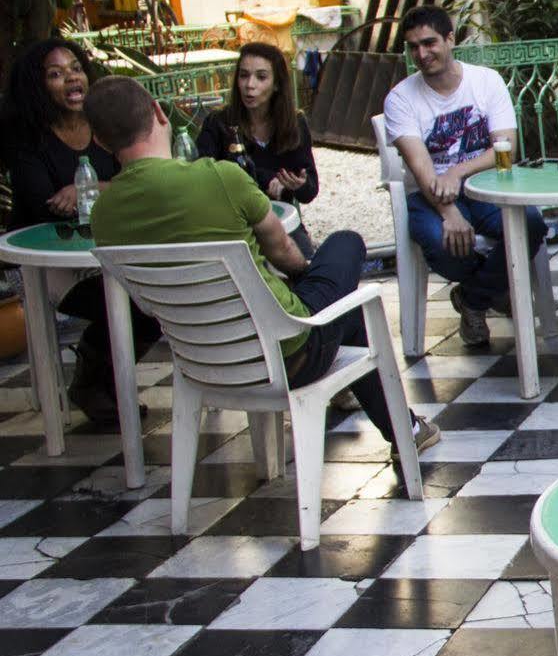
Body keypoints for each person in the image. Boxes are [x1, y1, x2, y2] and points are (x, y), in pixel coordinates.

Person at [84, 78, 439, 455]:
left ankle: (407, 430)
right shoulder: (218, 176)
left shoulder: (103, 216)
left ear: (100, 143)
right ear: (159, 112)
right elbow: (283, 250)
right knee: (346, 248)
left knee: (339, 308)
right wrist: (309, 273)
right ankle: (406, 430)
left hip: (201, 365)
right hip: (288, 354)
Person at [1, 38, 160, 422]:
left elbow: (140, 178)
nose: (71, 78)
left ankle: (93, 373)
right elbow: (44, 202)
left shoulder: (105, 127)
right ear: (38, 88)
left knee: (156, 301)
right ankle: (94, 383)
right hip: (51, 262)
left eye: (75, 68)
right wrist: (109, 191)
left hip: (108, 248)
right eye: (55, 74)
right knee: (127, 303)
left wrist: (86, 190)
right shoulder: (28, 139)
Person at [383, 5, 545, 347]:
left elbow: (505, 149)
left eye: (429, 43)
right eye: (413, 47)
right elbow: (419, 164)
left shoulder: (485, 81)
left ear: (450, 39)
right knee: (444, 246)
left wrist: (457, 171)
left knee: (531, 224)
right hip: (428, 197)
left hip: (487, 187)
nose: (421, 54)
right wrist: (448, 210)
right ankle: (498, 290)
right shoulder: (400, 99)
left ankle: (473, 299)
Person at [197, 42, 319, 254]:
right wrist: (267, 178)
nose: (249, 85)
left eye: (261, 77)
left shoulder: (295, 123)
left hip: (280, 223)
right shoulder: (218, 123)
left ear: (277, 84)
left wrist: (298, 184)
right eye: (244, 75)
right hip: (231, 227)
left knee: (307, 267)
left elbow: (310, 191)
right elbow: (203, 175)